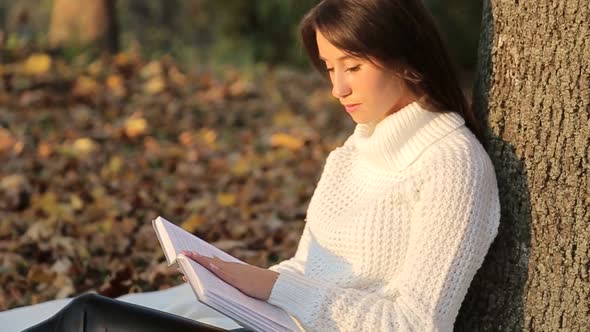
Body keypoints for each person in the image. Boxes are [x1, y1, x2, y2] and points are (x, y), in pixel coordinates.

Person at [18, 0, 500, 331]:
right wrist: (233, 285)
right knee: (90, 317)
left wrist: (274, 286)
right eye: (330, 69)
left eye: (352, 66)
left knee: (88, 318)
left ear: (406, 58)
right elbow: (306, 270)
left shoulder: (453, 164)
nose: (338, 89)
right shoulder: (352, 152)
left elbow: (415, 325)